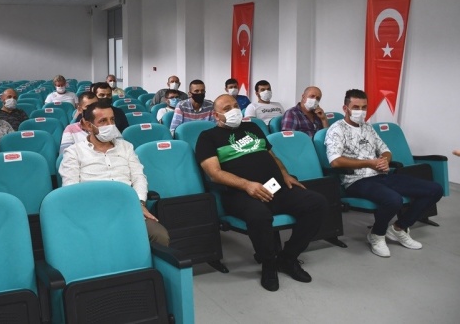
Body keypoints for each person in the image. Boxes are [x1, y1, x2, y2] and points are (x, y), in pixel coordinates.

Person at [196, 94, 328, 291]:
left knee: (317, 203)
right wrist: (247, 185)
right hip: (240, 194)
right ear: (216, 115)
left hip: (275, 187)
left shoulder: (252, 128)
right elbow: (214, 174)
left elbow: (271, 156)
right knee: (260, 216)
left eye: (235, 106)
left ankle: (288, 257)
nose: (234, 110)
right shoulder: (207, 137)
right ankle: (269, 264)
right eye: (227, 109)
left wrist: (285, 174)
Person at [325, 89, 443, 258]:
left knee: (434, 190)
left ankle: (398, 228)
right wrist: (369, 163)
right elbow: (335, 161)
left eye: (364, 107)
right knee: (393, 199)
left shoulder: (367, 127)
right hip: (356, 180)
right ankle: (377, 234)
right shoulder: (336, 129)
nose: (361, 111)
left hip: (380, 175)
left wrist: (384, 160)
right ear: (345, 108)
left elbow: (386, 150)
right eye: (356, 107)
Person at [59, 103, 169, 246]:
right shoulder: (74, 152)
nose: (110, 125)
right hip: (93, 211)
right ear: (88, 125)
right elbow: (71, 189)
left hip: (128, 207)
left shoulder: (126, 147)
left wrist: (139, 203)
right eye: (103, 121)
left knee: (159, 235)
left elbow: (138, 177)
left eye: (112, 120)